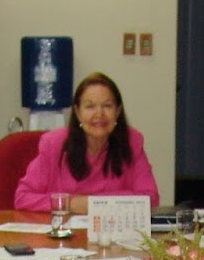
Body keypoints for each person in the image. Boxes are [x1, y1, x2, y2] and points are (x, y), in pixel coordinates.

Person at [13, 72, 159, 213]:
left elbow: (150, 198)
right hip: (63, 228)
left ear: (118, 111)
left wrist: (92, 204)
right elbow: (23, 198)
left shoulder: (131, 142)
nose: (99, 114)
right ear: (77, 112)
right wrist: (71, 203)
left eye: (107, 106)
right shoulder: (54, 144)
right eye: (90, 106)